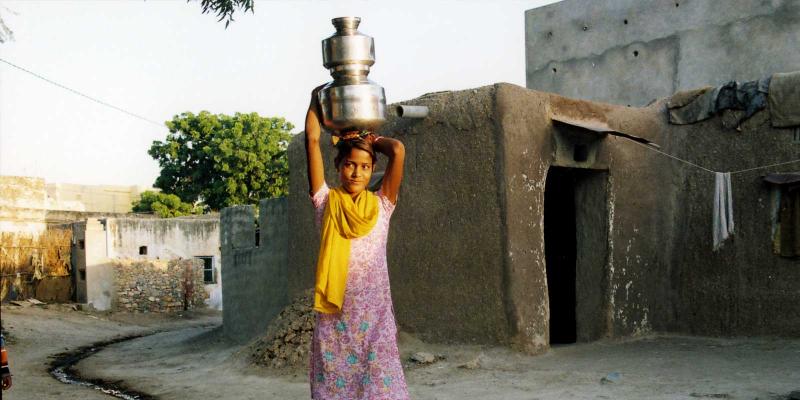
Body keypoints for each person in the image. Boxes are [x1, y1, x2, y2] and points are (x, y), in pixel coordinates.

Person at [304, 86, 409, 400]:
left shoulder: (382, 206)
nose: (357, 172)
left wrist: (368, 139)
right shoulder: (326, 202)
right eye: (350, 164)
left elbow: (399, 151)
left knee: (382, 389)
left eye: (365, 167)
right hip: (336, 317)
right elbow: (311, 140)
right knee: (334, 389)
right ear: (338, 166)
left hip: (375, 317)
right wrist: (313, 102)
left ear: (372, 170)